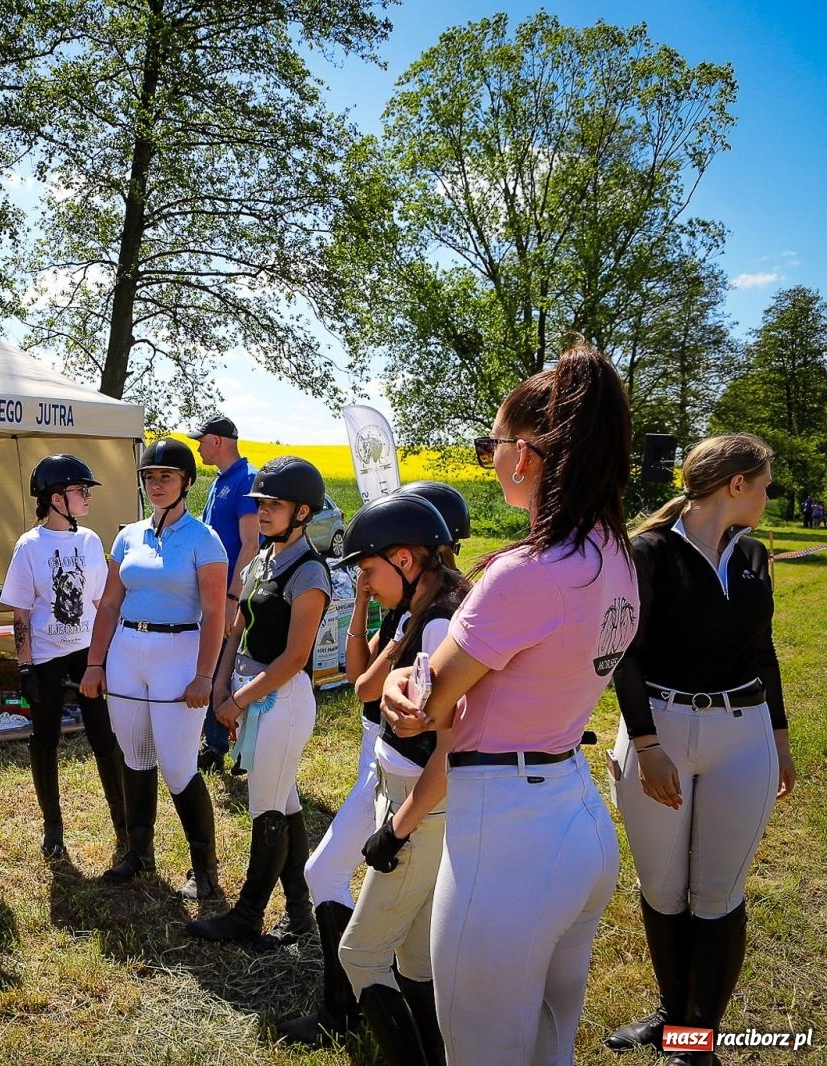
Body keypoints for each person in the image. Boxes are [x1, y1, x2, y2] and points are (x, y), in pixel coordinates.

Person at [381, 341, 638, 1064]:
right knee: (552, 1044)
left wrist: (402, 682)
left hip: (507, 838)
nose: (489, 459)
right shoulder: (616, 556)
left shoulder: (528, 573)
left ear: (523, 456)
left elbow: (427, 704)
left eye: (489, 445)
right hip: (574, 812)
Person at [604, 434, 795, 1066]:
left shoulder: (754, 554)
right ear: (736, 485)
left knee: (718, 893)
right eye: (763, 484)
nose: (768, 494)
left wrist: (779, 740)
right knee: (663, 889)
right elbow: (625, 655)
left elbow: (763, 651)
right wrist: (647, 745)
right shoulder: (648, 552)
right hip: (659, 732)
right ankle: (671, 1013)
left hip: (742, 736)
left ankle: (695, 1042)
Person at [283, 480, 471, 1050]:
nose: (363, 580)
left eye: (368, 569)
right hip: (397, 781)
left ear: (405, 560)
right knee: (415, 954)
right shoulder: (420, 611)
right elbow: (367, 685)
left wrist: (399, 827)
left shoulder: (435, 624)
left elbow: (447, 744)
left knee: (361, 940)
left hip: (412, 792)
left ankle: (347, 1013)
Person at [185, 457, 330, 946]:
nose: (263, 511)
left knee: (265, 808)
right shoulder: (262, 560)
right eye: (261, 503)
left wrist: (239, 699)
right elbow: (236, 629)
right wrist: (220, 686)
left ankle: (247, 916)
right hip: (250, 694)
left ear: (303, 512)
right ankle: (300, 911)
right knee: (284, 803)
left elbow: (295, 657)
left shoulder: (310, 573)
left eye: (275, 504)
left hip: (282, 700)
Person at [80, 437, 228, 897]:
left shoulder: (204, 539)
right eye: (150, 477)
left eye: (166, 476)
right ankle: (138, 853)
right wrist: (95, 662)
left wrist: (205, 675)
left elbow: (215, 613)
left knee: (178, 766)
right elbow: (109, 603)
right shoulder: (128, 536)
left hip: (178, 652)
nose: (157, 484)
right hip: (127, 650)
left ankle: (204, 869)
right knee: (135, 756)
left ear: (187, 482)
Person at [1, 454, 126, 860]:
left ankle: (123, 822)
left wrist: (108, 655)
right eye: (80, 490)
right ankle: (53, 825)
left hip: (88, 655)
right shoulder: (29, 546)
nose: (87, 496)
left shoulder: (90, 541)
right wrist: (25, 666)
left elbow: (101, 603)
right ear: (56, 498)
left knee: (104, 737)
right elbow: (21, 613)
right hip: (46, 658)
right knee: (45, 740)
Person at [190, 412, 258, 771]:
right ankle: (214, 744)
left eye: (201, 441)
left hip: (231, 596)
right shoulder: (221, 481)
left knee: (228, 668)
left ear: (217, 441)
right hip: (213, 593)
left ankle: (225, 748)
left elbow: (251, 544)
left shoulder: (247, 480)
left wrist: (233, 599)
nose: (198, 448)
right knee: (216, 666)